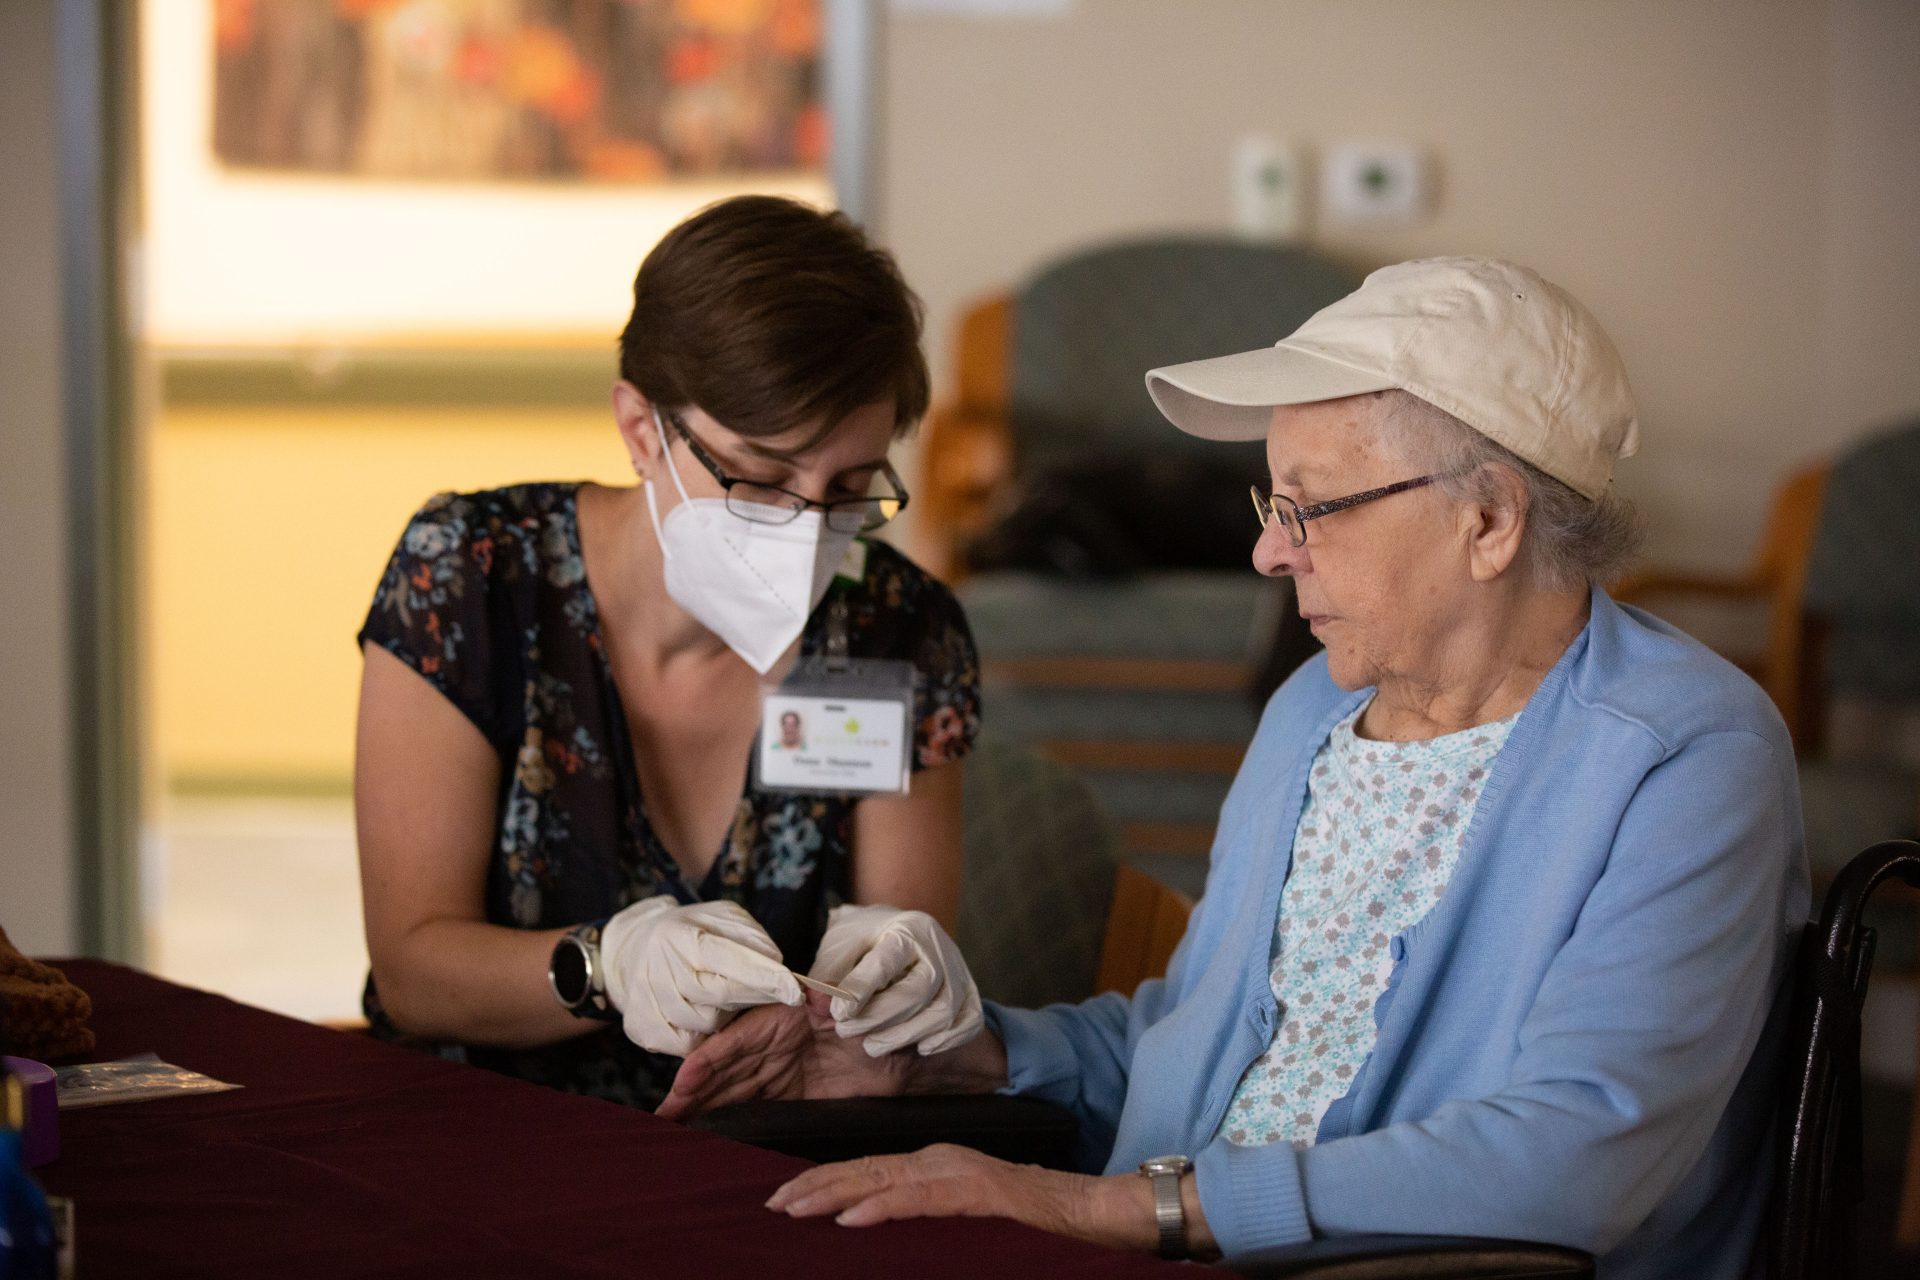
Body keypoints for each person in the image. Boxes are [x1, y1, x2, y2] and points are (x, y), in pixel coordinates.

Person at [657, 258, 1809, 1278]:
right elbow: (1198, 1043)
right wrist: (948, 1053)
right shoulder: (1316, 708)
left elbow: (1573, 1156)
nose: (1266, 548)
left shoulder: (1686, 755)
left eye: (1312, 507)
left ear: (1492, 519)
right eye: (1274, 502)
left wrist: (1103, 1207)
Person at [353, 196, 985, 1109]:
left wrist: (902, 980)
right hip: (486, 1135)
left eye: (849, 487)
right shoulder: (472, 577)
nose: (808, 525)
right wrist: (603, 966)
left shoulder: (896, 624)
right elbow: (415, 969)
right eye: (761, 478)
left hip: (773, 1148)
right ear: (642, 428)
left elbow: (894, 959)